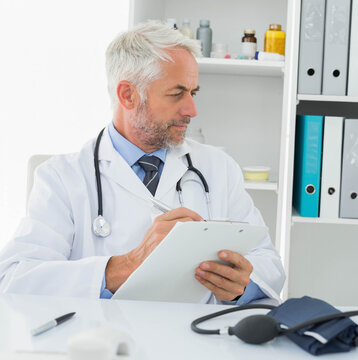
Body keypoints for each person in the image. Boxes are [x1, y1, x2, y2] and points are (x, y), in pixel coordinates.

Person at [0, 21, 285, 304]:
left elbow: (269, 264)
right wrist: (126, 266)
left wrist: (242, 285)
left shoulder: (218, 169)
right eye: (177, 93)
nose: (192, 110)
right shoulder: (61, 178)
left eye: (193, 93)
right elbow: (14, 279)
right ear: (128, 94)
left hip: (195, 344)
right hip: (105, 344)